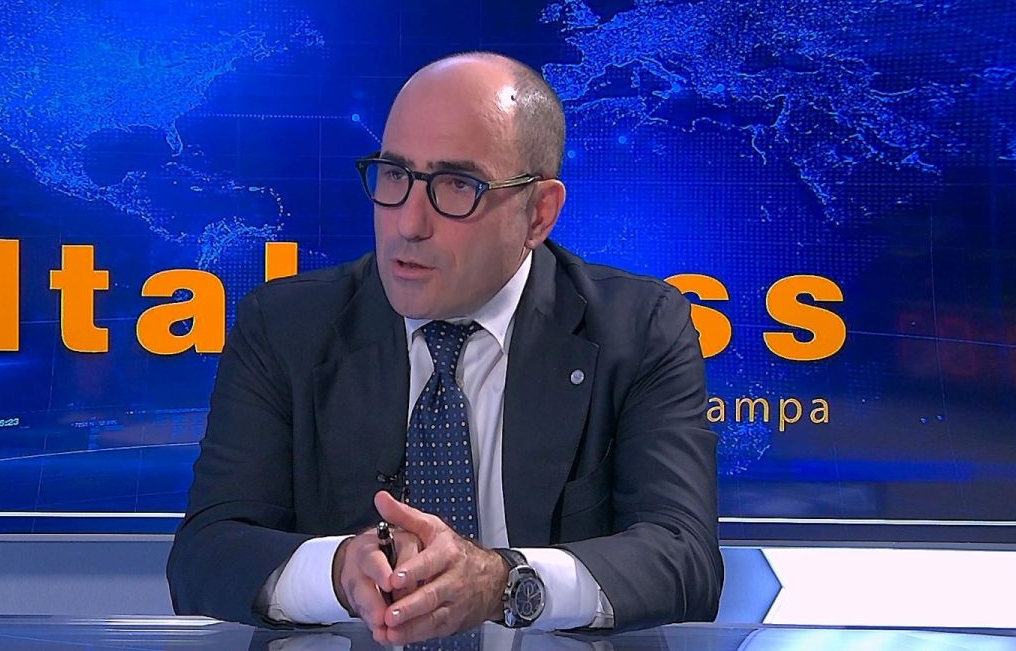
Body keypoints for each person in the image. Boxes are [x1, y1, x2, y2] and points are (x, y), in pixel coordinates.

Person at [167, 51, 722, 644]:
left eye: (458, 185)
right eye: (394, 175)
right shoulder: (284, 328)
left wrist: (503, 583)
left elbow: (684, 559)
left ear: (539, 214)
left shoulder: (639, 330)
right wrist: (338, 569)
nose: (409, 224)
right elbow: (205, 553)